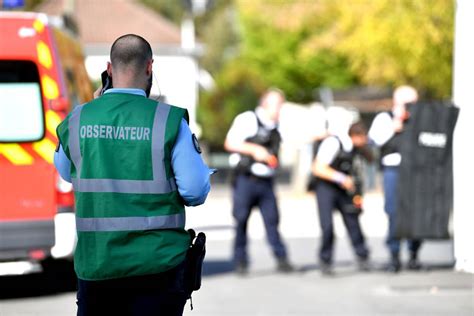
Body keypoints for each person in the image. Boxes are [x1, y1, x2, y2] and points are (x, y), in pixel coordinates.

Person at [54, 34, 211, 316]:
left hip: (98, 267)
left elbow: (67, 173)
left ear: (109, 69)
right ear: (149, 67)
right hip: (157, 266)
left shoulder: (78, 119)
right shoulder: (168, 120)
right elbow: (195, 190)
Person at [224, 88, 294, 275]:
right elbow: (230, 143)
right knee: (241, 221)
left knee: (272, 222)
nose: (280, 109)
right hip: (245, 180)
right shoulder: (247, 119)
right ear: (265, 104)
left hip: (266, 181)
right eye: (277, 105)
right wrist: (255, 150)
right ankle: (240, 261)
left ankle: (282, 259)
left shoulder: (277, 126)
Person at [368, 85, 422, 272]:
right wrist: (395, 125)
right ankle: (394, 255)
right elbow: (374, 141)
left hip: (416, 171)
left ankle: (414, 254)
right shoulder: (384, 119)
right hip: (393, 170)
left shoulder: (420, 119)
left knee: (416, 213)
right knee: (393, 212)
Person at [311, 122, 371, 275]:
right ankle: (325, 260)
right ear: (357, 136)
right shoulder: (334, 143)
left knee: (353, 221)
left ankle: (362, 255)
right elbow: (318, 168)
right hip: (326, 187)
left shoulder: (356, 149)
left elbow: (368, 162)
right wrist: (341, 178)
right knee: (327, 226)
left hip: (345, 189)